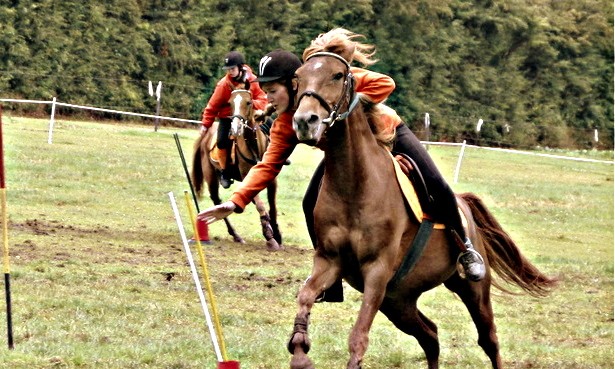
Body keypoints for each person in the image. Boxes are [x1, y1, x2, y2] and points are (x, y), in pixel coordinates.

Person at [198, 30, 485, 301]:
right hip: (346, 156)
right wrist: (235, 202)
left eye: (272, 90)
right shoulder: (287, 122)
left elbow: (387, 84)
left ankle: (466, 248)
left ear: (294, 83)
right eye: (265, 91)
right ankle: (330, 280)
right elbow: (267, 165)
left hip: (389, 133)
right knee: (310, 203)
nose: (267, 99)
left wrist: (347, 98)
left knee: (437, 185)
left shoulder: (333, 79)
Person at [200, 51, 268, 188]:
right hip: (228, 117)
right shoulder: (223, 85)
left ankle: (278, 156)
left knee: (270, 126)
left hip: (250, 114)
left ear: (240, 67)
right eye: (228, 69)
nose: (230, 72)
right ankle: (225, 172)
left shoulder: (253, 80)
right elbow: (212, 106)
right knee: (221, 142)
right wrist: (205, 125)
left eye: (232, 68)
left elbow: (263, 98)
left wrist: (250, 105)